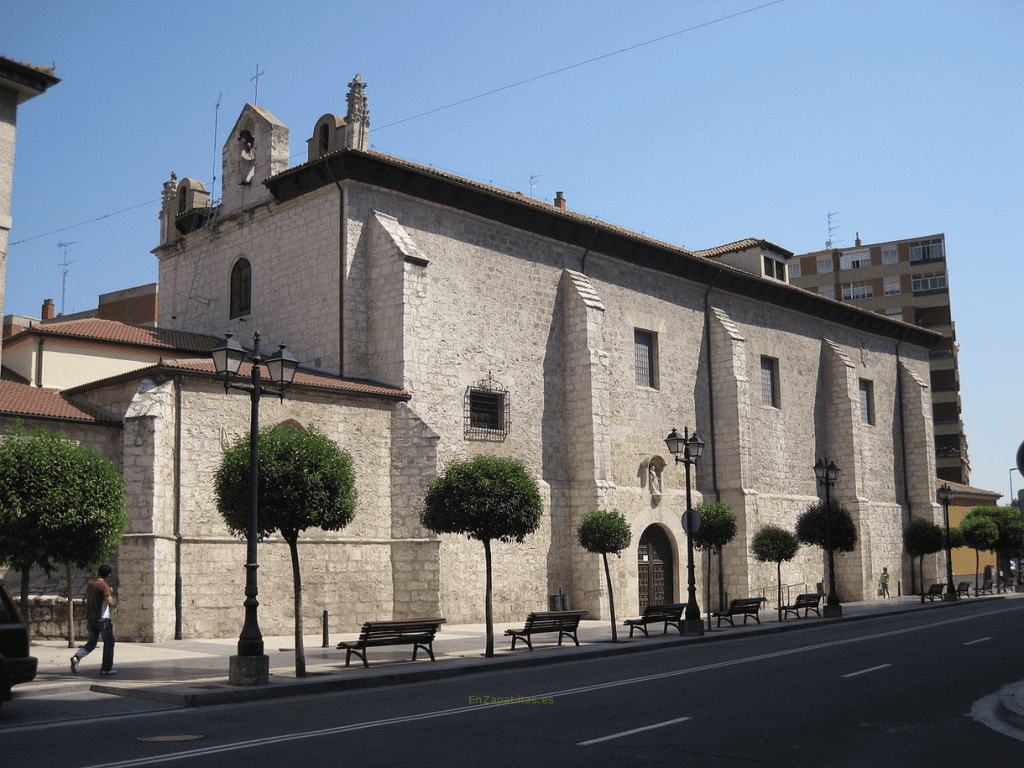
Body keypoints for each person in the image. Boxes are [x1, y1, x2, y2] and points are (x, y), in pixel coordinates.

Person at [70, 563, 116, 675]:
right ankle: (106, 668)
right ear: (108, 575)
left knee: (91, 643)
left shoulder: (91, 584)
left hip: (91, 618)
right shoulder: (104, 585)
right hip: (103, 619)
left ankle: (77, 657)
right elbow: (109, 601)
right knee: (109, 642)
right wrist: (111, 593)